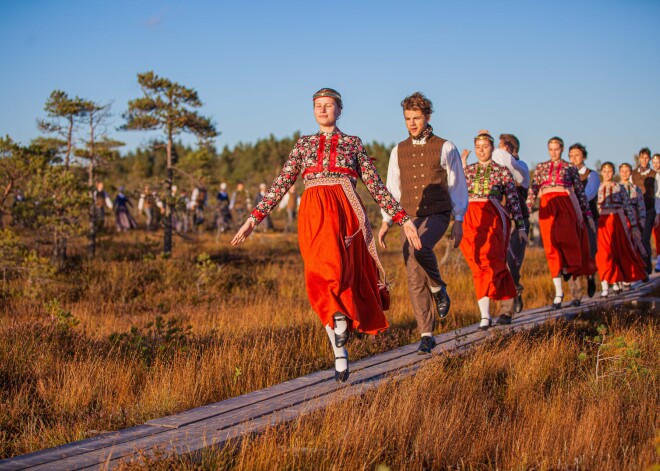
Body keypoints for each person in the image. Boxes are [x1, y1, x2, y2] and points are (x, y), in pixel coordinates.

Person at [232, 88, 421, 383]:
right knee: (318, 275)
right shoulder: (303, 144)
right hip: (312, 212)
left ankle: (342, 339)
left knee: (339, 274)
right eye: (317, 106)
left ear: (339, 109)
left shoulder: (352, 143)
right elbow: (281, 183)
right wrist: (254, 218)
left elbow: (375, 185)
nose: (322, 110)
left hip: (344, 208)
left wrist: (403, 219)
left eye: (328, 105)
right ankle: (340, 353)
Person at [377, 92, 468, 355]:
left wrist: (458, 220)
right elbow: (392, 188)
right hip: (409, 218)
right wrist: (385, 220)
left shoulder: (445, 146)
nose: (412, 123)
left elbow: (457, 185)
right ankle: (426, 335)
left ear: (427, 117)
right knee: (414, 276)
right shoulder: (399, 150)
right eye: (408, 118)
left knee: (420, 249)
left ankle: (439, 288)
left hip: (438, 214)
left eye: (417, 118)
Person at [460, 132, 527, 330]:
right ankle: (485, 315)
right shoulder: (468, 171)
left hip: (494, 216)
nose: (482, 150)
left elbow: (514, 199)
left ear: (492, 148)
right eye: (478, 147)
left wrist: (521, 226)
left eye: (485, 146)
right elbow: (457, 196)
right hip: (471, 219)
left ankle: (506, 308)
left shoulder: (502, 171)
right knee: (477, 264)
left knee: (496, 261)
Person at [526, 137, 596, 309]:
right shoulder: (541, 167)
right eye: (551, 149)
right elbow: (533, 191)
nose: (554, 152)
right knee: (551, 248)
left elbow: (580, 193)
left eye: (556, 149)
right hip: (547, 208)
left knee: (570, 247)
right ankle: (558, 294)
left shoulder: (569, 167)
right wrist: (526, 213)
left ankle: (576, 293)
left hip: (566, 207)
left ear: (562, 149)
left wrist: (588, 216)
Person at [595, 162, 646, 296]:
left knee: (617, 250)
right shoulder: (597, 188)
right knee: (603, 253)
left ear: (613, 173)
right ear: (601, 172)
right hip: (602, 221)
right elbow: (592, 207)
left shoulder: (619, 187)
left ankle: (617, 281)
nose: (607, 174)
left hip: (617, 220)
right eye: (604, 171)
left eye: (610, 171)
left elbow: (628, 207)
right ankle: (605, 283)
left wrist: (634, 226)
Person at [499, 134, 530, 313]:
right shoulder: (496, 168)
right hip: (501, 219)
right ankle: (506, 305)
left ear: (509, 148)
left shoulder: (522, 167)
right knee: (501, 263)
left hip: (519, 221)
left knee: (514, 263)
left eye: (500, 146)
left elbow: (516, 175)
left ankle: (516, 290)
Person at [566, 143, 599, 304]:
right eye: (571, 155)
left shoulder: (591, 175)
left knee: (591, 251)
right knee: (573, 253)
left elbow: (589, 194)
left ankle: (591, 276)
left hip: (588, 218)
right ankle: (576, 294)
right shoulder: (565, 174)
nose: (574, 158)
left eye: (577, 155)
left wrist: (571, 197)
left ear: (584, 156)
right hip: (571, 219)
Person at [631, 147, 656, 274]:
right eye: (642, 157)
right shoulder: (633, 173)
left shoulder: (654, 174)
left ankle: (647, 267)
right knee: (637, 238)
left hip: (650, 209)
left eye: (647, 158)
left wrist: (657, 213)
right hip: (636, 210)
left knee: (646, 238)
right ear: (639, 158)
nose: (644, 160)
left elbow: (658, 194)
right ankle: (639, 266)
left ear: (649, 159)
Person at [651, 154, 660, 272]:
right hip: (655, 209)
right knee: (657, 236)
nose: (656, 164)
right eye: (654, 162)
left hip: (658, 209)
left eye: (658, 162)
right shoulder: (654, 176)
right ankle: (658, 261)